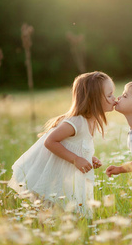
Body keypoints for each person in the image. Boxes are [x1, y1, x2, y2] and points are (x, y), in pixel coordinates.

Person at [8, 71, 116, 217]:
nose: (114, 99)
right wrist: (76, 159)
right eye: (109, 95)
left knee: (63, 212)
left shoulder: (92, 121)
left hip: (62, 173)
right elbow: (50, 141)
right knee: (50, 211)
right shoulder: (76, 121)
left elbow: (77, 145)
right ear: (93, 99)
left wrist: (88, 158)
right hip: (49, 173)